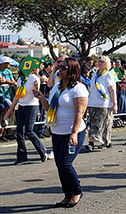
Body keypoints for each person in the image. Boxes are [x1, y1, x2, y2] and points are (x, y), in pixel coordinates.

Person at [34, 58, 87, 208]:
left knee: (65, 163)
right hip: (57, 131)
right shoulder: (57, 86)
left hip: (72, 131)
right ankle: (67, 194)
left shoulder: (79, 88)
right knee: (59, 164)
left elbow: (79, 113)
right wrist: (41, 97)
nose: (60, 70)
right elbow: (50, 108)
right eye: (59, 67)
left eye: (64, 67)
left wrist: (74, 133)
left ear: (72, 70)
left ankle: (76, 191)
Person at [5, 65, 47, 165]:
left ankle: (42, 151)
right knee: (19, 131)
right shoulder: (20, 79)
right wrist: (11, 109)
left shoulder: (34, 78)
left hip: (32, 105)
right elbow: (17, 96)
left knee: (29, 130)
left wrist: (36, 87)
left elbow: (37, 93)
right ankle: (22, 157)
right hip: (22, 105)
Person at [86, 56, 117, 151]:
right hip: (92, 102)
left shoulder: (108, 75)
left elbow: (112, 90)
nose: (99, 63)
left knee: (99, 123)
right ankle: (106, 141)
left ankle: (91, 142)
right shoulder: (94, 74)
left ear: (106, 64)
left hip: (104, 103)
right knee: (93, 123)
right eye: (98, 61)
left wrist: (114, 103)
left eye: (102, 62)